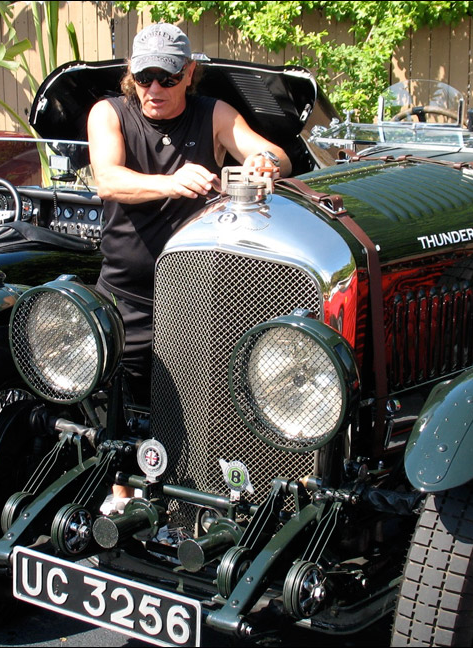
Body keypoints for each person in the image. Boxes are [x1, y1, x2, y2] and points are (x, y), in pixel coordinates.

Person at [87, 23, 291, 513]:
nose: (154, 88)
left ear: (189, 74)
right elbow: (108, 180)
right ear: (131, 76)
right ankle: (121, 501)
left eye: (167, 76)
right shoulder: (109, 113)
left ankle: (205, 506)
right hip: (127, 292)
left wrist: (265, 161)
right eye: (144, 76)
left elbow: (271, 152)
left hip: (197, 296)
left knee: (201, 404)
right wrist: (171, 183)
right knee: (122, 404)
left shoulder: (213, 113)